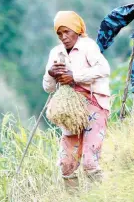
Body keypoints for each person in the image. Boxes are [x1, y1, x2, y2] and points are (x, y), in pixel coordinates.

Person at [43, 11, 110, 188]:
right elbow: (48, 88)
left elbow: (104, 69)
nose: (64, 37)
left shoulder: (88, 46)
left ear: (77, 29)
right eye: (59, 33)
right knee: (66, 165)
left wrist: (75, 77)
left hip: (95, 105)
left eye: (67, 31)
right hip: (70, 112)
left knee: (90, 162)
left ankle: (103, 196)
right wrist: (51, 74)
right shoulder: (55, 53)